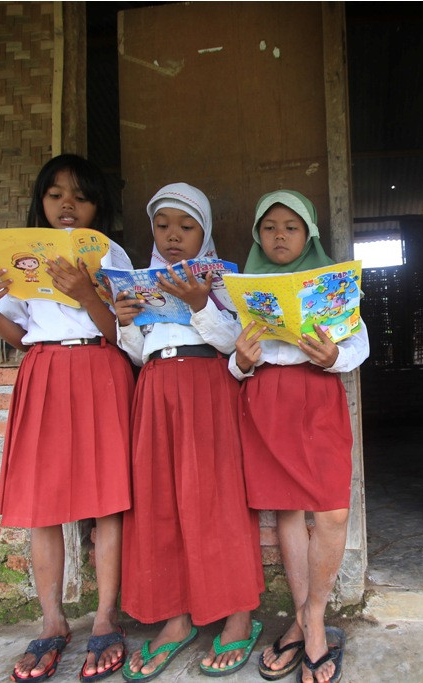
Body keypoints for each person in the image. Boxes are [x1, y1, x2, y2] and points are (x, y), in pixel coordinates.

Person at [0, 154, 132, 682]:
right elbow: (20, 336)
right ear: (40, 202)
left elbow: (123, 334)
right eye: (56, 193)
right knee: (43, 505)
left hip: (102, 368)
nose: (67, 204)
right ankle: (52, 622)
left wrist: (88, 293)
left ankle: (106, 616)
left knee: (108, 501)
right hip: (43, 370)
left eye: (81, 196)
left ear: (98, 208)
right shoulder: (21, 259)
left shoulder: (112, 256)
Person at [117, 183, 264, 680]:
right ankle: (176, 618)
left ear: (204, 233)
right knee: (161, 502)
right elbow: (139, 354)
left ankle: (239, 612)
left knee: (217, 499)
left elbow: (232, 345)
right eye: (163, 226)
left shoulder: (222, 283)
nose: (173, 236)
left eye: (186, 226)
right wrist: (125, 323)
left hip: (208, 388)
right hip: (156, 389)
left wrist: (201, 304)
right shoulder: (140, 282)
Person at [232, 190, 366, 683]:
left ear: (308, 232)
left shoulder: (329, 283)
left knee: (331, 511)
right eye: (269, 227)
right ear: (257, 236)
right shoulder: (242, 288)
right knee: (287, 510)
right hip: (266, 400)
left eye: (291, 225)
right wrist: (240, 361)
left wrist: (334, 358)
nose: (280, 234)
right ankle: (308, 624)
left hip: (318, 399)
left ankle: (312, 616)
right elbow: (234, 354)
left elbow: (360, 345)